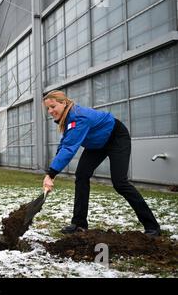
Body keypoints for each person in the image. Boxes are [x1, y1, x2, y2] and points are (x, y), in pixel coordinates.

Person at [42, 90, 161, 237]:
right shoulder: (68, 118)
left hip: (116, 137)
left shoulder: (78, 117)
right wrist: (52, 172)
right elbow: (65, 143)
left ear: (64, 102)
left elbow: (69, 148)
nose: (50, 111)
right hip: (97, 144)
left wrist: (51, 173)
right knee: (81, 176)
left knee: (120, 183)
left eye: (53, 106)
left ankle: (152, 226)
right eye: (48, 108)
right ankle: (79, 223)